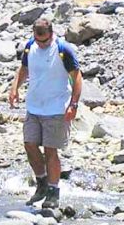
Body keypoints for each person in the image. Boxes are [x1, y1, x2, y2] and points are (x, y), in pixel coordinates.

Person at [8, 17, 83, 209]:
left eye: (45, 41)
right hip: (34, 106)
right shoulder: (30, 46)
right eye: (38, 40)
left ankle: (53, 192)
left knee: (51, 150)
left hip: (56, 108)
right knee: (29, 144)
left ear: (51, 34)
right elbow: (24, 68)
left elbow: (77, 77)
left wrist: (73, 104)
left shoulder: (62, 49)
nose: (41, 44)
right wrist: (15, 88)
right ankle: (41, 183)